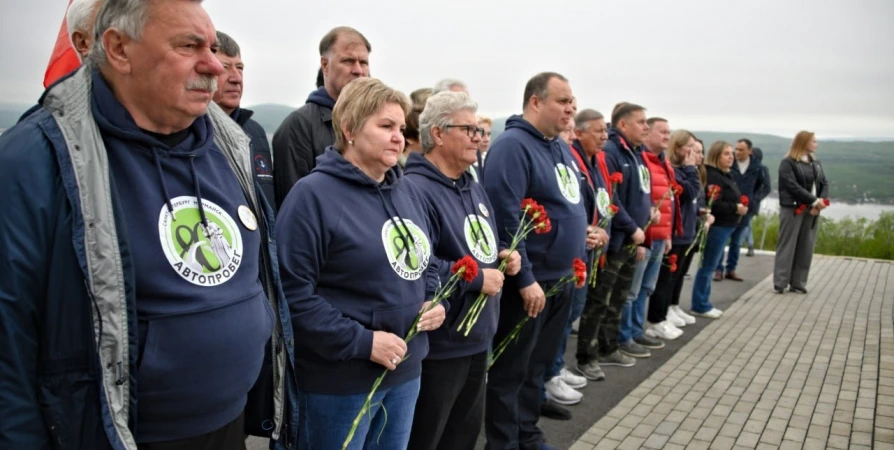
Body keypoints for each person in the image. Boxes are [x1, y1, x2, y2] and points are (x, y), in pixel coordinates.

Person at [0, 0, 298, 448]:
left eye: (213, 47)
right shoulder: (35, 159)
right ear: (119, 49)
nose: (214, 66)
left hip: (231, 422)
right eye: (189, 45)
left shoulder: (230, 144)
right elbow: (9, 342)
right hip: (120, 435)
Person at [277, 78, 442, 450]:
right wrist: (362, 342)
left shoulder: (407, 191)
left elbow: (426, 262)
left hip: (405, 371)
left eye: (401, 128)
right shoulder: (312, 196)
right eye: (385, 126)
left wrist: (434, 300)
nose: (399, 137)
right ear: (349, 129)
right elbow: (292, 294)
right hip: (340, 383)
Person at [404, 91, 521, 450]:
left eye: (479, 129)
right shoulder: (414, 189)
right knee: (431, 437)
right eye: (468, 129)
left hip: (478, 337)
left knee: (464, 436)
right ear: (438, 134)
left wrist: (501, 256)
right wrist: (476, 277)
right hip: (442, 347)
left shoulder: (473, 185)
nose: (479, 137)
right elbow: (417, 263)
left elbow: (477, 247)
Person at [482, 72, 587, 450]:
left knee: (537, 368)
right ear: (535, 102)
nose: (570, 107)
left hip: (560, 279)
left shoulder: (559, 146)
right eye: (562, 100)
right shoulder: (512, 147)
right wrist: (525, 278)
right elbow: (506, 215)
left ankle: (527, 433)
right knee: (512, 371)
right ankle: (504, 443)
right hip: (530, 283)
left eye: (572, 101)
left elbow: (568, 203)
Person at [540, 109, 611, 417]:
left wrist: (593, 230)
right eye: (567, 130)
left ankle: (556, 366)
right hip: (560, 257)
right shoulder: (564, 158)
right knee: (558, 319)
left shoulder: (589, 161)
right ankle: (549, 375)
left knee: (571, 314)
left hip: (581, 250)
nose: (568, 136)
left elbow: (585, 203)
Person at [575, 102, 652, 380]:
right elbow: (612, 197)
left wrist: (644, 231)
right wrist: (631, 228)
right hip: (616, 239)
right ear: (623, 124)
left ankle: (609, 346)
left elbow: (640, 194)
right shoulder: (611, 153)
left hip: (629, 239)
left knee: (618, 298)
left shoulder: (636, 153)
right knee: (599, 301)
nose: (647, 127)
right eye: (641, 122)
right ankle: (588, 355)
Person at [272, 26, 371, 207]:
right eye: (348, 61)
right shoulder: (299, 126)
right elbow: (295, 205)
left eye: (363, 62)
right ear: (325, 65)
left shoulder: (375, 125)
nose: (358, 70)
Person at [618, 117, 680, 355]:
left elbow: (667, 204)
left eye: (669, 132)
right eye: (662, 131)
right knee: (631, 291)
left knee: (645, 288)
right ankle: (624, 336)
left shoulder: (661, 163)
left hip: (657, 236)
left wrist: (666, 235)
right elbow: (639, 202)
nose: (666, 136)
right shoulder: (641, 159)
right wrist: (642, 237)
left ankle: (635, 330)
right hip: (642, 236)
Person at [647, 130, 706, 335]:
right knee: (665, 278)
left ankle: (670, 309)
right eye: (689, 147)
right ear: (678, 147)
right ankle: (657, 318)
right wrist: (691, 168)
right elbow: (689, 193)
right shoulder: (676, 171)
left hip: (685, 230)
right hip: (672, 232)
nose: (693, 152)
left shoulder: (684, 171)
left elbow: (695, 195)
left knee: (677, 275)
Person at [212, 31, 276, 213]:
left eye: (239, 68)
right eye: (224, 67)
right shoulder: (195, 131)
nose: (236, 78)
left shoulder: (255, 132)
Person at [690, 141, 747, 318]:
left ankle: (703, 302)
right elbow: (713, 204)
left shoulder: (727, 174)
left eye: (731, 153)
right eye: (726, 154)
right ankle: (700, 304)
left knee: (711, 264)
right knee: (708, 266)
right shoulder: (713, 176)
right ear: (716, 156)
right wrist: (734, 208)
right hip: (718, 225)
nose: (731, 157)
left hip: (728, 225)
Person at [773, 131, 829, 294]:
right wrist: (813, 200)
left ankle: (798, 282)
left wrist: (821, 202)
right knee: (788, 244)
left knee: (806, 246)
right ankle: (781, 281)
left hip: (812, 210)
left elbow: (824, 183)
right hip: (793, 208)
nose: (816, 144)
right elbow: (791, 185)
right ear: (804, 143)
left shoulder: (815, 163)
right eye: (813, 141)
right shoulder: (788, 163)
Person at [714, 138, 770, 281]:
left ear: (750, 151)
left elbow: (765, 187)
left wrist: (753, 201)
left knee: (737, 241)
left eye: (741, 150)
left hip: (746, 210)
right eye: (736, 149)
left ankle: (731, 269)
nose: (737, 152)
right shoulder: (729, 165)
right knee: (722, 239)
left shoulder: (759, 168)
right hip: (729, 208)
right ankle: (718, 269)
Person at [743, 147, 771, 256]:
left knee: (746, 224)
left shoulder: (762, 169)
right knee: (745, 224)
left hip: (752, 203)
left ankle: (749, 245)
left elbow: (767, 187)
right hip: (741, 201)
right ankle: (748, 245)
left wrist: (756, 198)